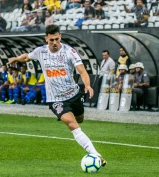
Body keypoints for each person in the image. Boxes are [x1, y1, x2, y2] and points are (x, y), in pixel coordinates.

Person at [7, 24, 107, 166]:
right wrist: (16, 59)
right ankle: (96, 155)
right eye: (51, 40)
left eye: (57, 39)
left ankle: (67, 116)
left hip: (73, 94)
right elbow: (26, 57)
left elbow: (82, 71)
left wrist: (88, 85)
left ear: (60, 37)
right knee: (73, 125)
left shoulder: (69, 51)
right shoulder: (40, 52)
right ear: (46, 39)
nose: (54, 43)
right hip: (55, 99)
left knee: (80, 119)